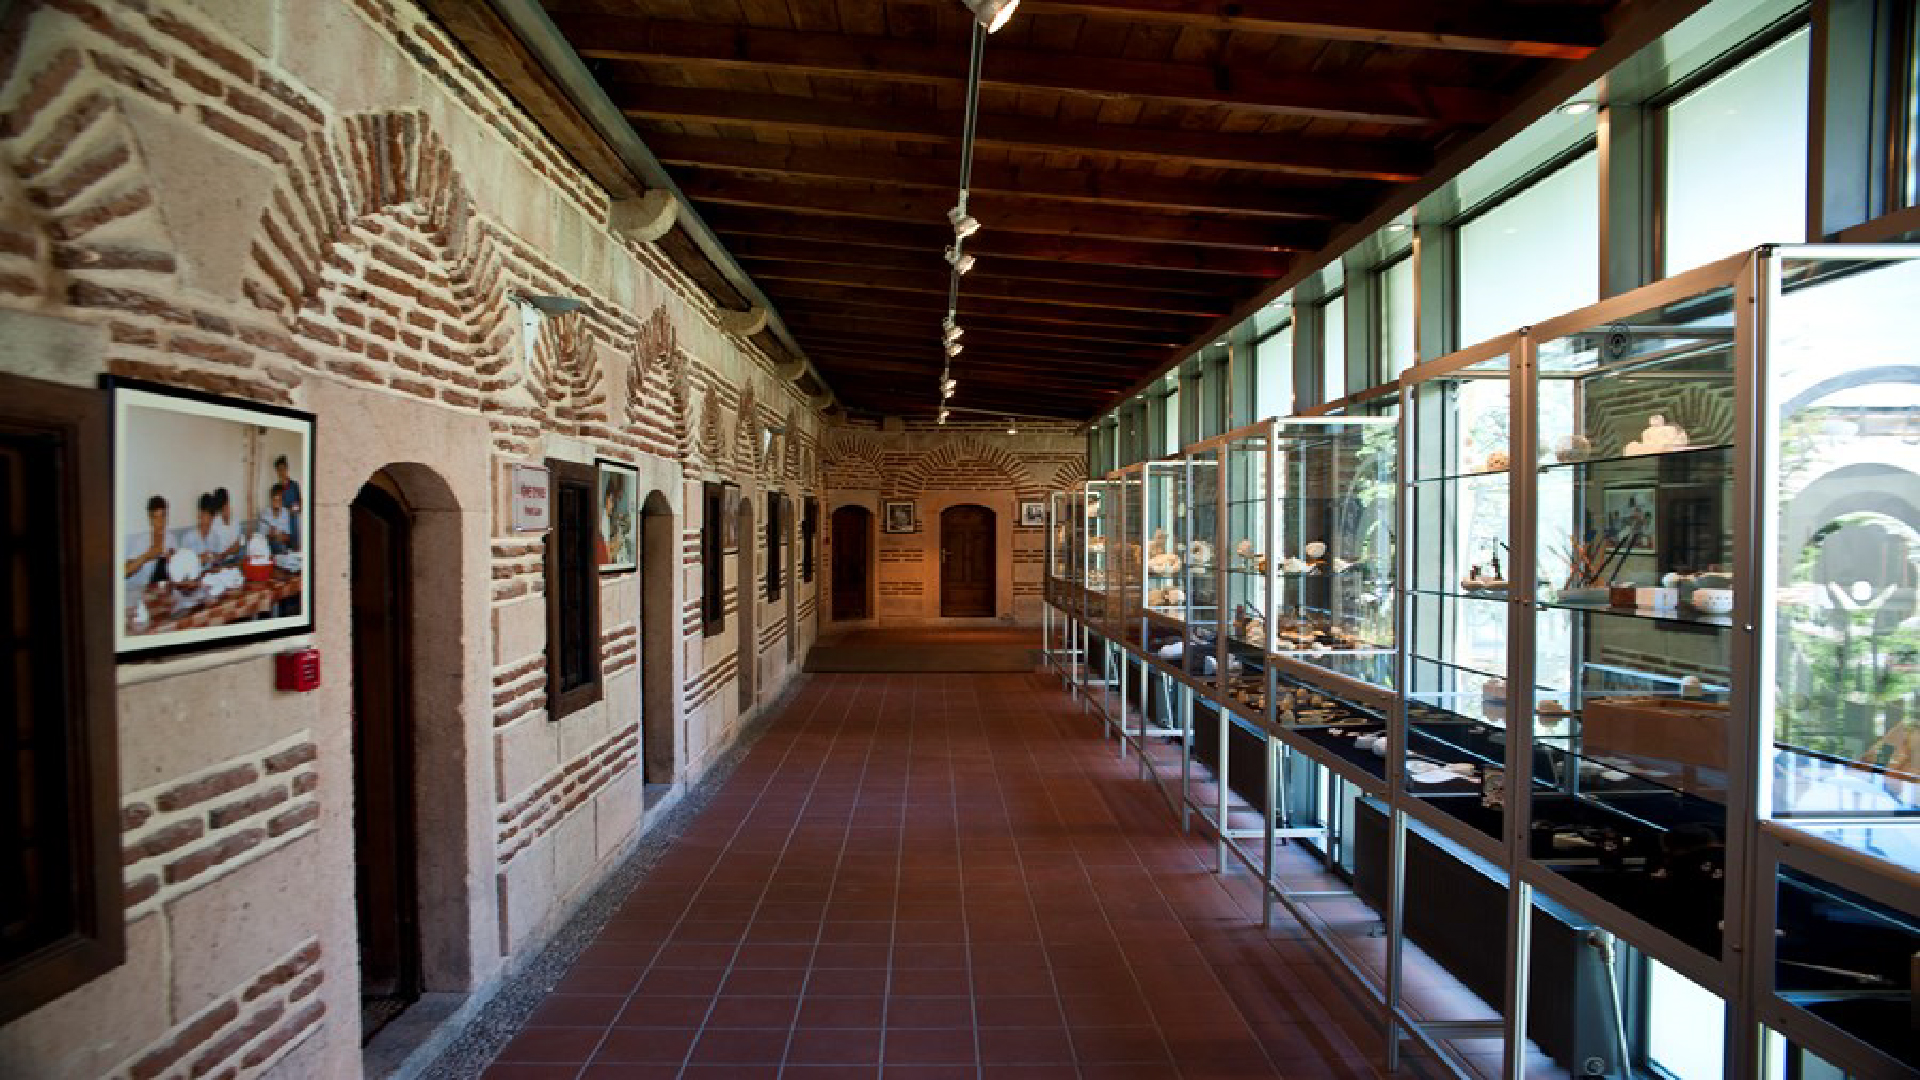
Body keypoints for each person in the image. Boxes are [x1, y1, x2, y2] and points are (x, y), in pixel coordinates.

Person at [125, 495, 172, 586]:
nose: (160, 522)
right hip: (143, 589)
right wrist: (147, 556)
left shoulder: (171, 539)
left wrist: (173, 561)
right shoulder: (142, 541)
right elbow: (125, 572)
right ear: (150, 519)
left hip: (164, 589)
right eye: (156, 517)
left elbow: (176, 572)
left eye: (163, 516)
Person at [177, 493, 221, 566]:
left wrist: (216, 559)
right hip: (194, 572)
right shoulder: (188, 538)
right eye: (206, 515)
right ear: (199, 514)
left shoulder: (215, 537)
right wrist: (199, 559)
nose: (209, 520)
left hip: (211, 572)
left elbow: (216, 561)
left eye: (212, 516)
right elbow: (182, 565)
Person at [273, 455, 302, 551]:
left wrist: (292, 509)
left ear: (287, 468)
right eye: (278, 470)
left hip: (293, 524)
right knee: (282, 552)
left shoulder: (295, 485)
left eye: (283, 469)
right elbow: (275, 508)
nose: (281, 472)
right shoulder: (275, 488)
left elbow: (300, 506)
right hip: (281, 526)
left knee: (295, 550)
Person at [209, 487, 242, 565]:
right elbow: (212, 551)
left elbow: (237, 546)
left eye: (227, 505)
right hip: (219, 563)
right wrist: (220, 556)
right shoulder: (214, 523)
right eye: (223, 507)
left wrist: (224, 554)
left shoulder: (235, 519)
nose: (226, 508)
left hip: (234, 559)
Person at [262, 483, 294, 553]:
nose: (277, 502)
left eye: (280, 499)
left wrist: (282, 536)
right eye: (275, 499)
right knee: (275, 544)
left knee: (283, 546)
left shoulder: (285, 512)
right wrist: (271, 535)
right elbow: (262, 538)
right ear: (271, 499)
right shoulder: (265, 513)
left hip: (282, 545)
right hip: (269, 546)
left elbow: (287, 537)